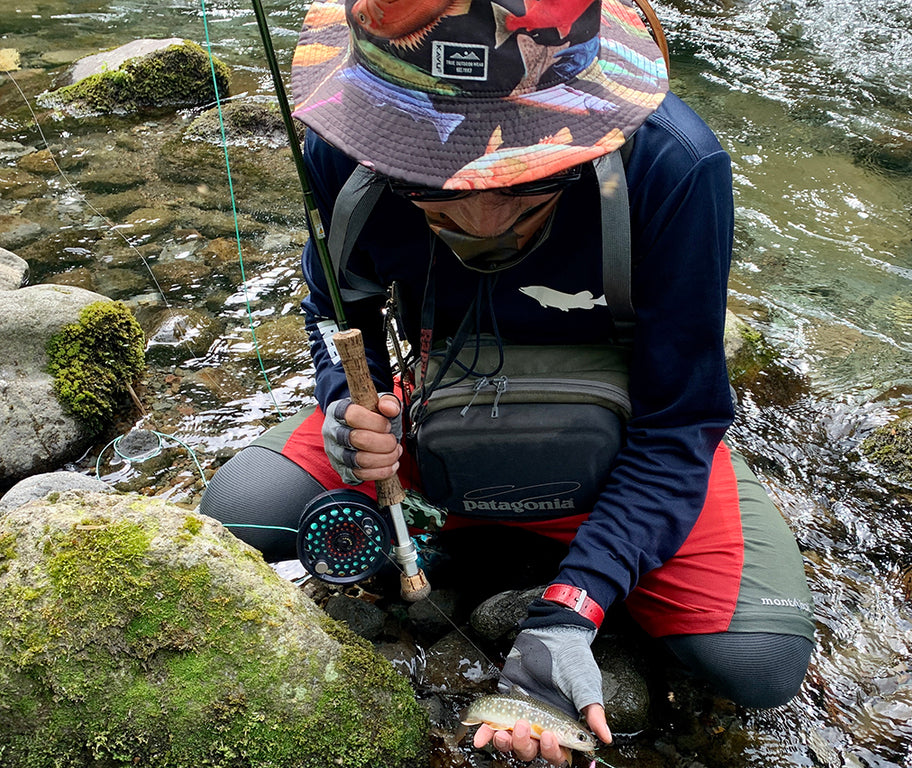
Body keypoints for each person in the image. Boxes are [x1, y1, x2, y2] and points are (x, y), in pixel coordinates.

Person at [200, 0, 816, 763]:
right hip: (429, 433)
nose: (485, 217)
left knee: (759, 667)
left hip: (624, 450)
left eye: (527, 179)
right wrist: (344, 407)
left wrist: (572, 607)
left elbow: (679, 419)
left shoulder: (673, 167)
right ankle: (456, 530)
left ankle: (620, 535)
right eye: (439, 184)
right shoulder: (343, 153)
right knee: (233, 519)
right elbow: (335, 313)